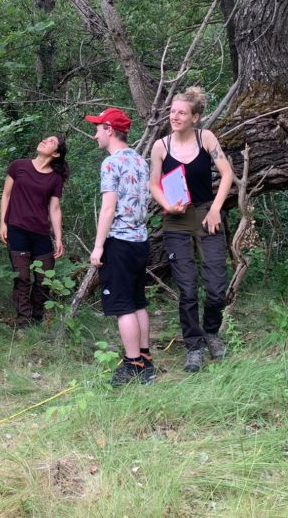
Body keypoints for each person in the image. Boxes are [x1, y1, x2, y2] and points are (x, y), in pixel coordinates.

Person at [149, 87, 234, 373]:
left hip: (207, 215)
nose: (174, 116)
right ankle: (194, 346)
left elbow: (227, 175)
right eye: (172, 111)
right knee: (187, 289)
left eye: (181, 112)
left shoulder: (206, 138)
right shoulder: (161, 146)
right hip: (176, 221)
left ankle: (212, 332)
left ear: (195, 118)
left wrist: (214, 209)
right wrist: (166, 205)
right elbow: (153, 185)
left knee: (215, 286)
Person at [85, 108, 156, 387]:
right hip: (140, 241)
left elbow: (108, 207)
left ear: (109, 130)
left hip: (120, 241)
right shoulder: (140, 160)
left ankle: (133, 363)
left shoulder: (111, 163)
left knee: (124, 305)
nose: (95, 135)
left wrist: (98, 246)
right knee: (137, 301)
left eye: (98, 129)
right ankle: (145, 357)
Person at [0, 135, 69, 328]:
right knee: (22, 277)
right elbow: (6, 195)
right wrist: (3, 223)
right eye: (45, 139)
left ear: (55, 153)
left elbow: (54, 209)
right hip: (16, 228)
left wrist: (59, 238)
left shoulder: (56, 178)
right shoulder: (18, 166)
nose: (44, 141)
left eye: (51, 142)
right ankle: (23, 323)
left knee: (44, 278)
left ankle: (37, 320)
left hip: (41, 233)